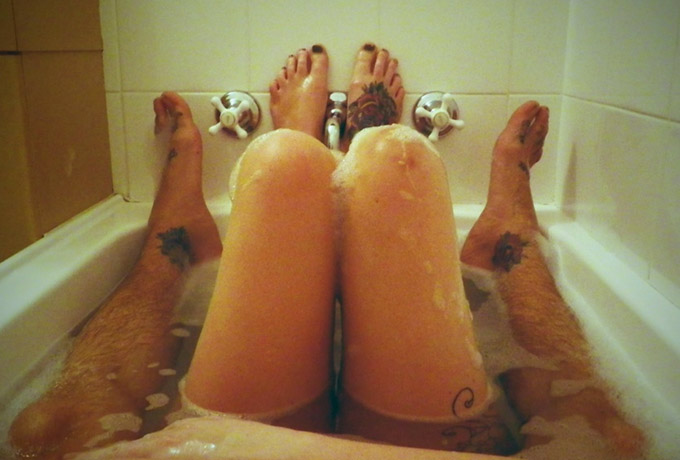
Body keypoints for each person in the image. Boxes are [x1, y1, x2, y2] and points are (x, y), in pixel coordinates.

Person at [8, 43, 643, 460]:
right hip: (437, 441)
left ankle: (186, 229)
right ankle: (501, 234)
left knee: (282, 165)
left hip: (224, 438)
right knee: (399, 161)